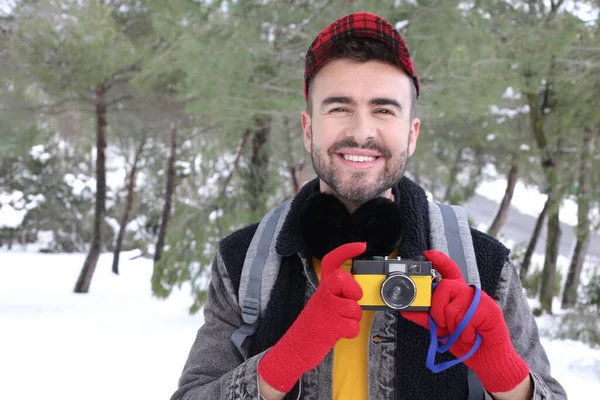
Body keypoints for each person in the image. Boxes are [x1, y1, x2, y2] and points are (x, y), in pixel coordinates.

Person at [171, 12, 567, 400]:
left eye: (383, 110)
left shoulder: (484, 266)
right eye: (339, 107)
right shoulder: (244, 264)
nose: (362, 131)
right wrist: (281, 364)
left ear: (411, 134)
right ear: (309, 129)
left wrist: (507, 378)